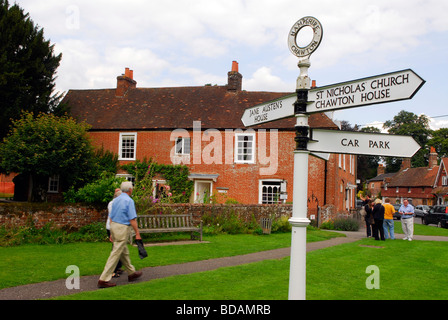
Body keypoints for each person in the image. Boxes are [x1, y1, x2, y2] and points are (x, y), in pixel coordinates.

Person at [98, 181, 142, 288]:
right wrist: (137, 233)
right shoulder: (129, 201)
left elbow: (111, 216)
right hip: (122, 227)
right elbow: (132, 219)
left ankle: (131, 273)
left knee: (123, 251)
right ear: (130, 190)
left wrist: (112, 233)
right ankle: (103, 279)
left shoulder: (116, 200)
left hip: (114, 226)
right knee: (116, 253)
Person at [106, 188, 123, 278]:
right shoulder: (113, 204)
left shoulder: (114, 203)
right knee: (115, 250)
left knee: (120, 248)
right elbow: (113, 218)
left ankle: (118, 266)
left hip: (115, 228)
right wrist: (112, 233)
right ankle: (112, 270)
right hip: (112, 228)